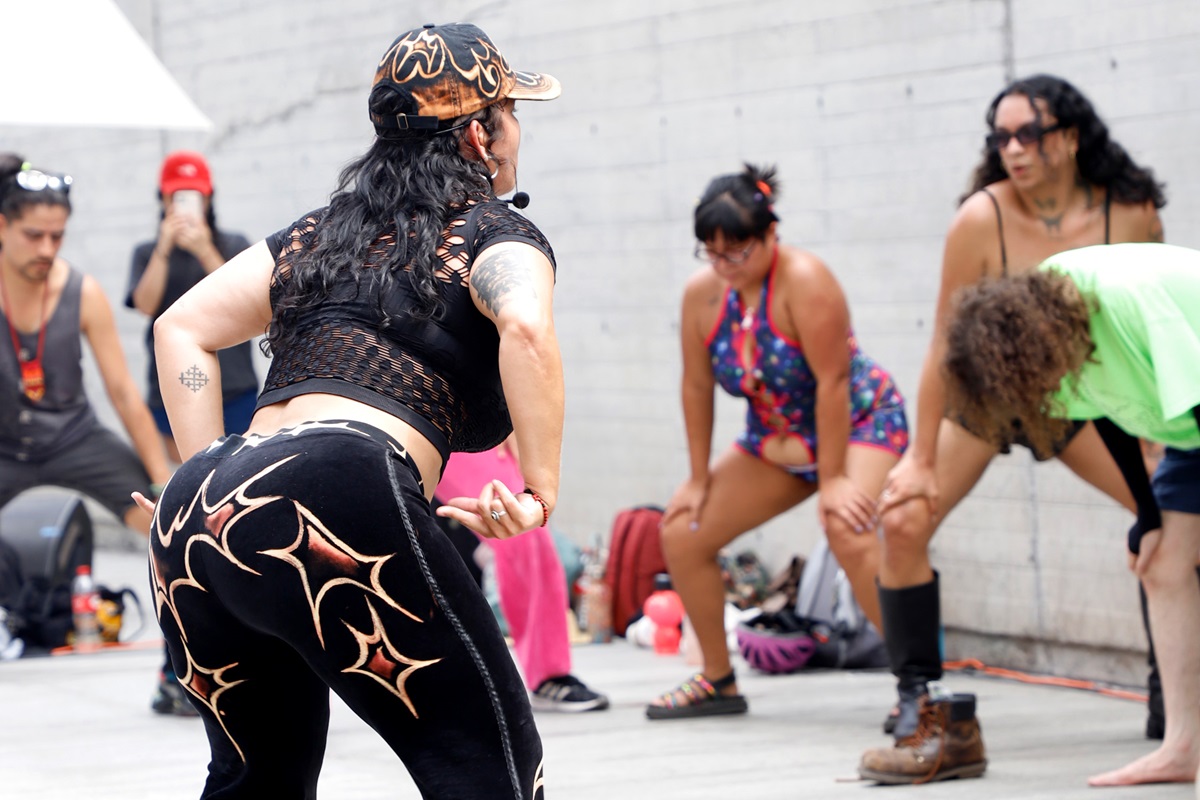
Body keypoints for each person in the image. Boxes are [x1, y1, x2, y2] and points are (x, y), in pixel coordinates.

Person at [135, 22, 563, 799]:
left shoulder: (315, 235)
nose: (516, 130)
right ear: (479, 134)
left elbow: (179, 329)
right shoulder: (493, 231)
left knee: (254, 782)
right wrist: (539, 491)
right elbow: (526, 327)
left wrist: (199, 479)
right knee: (491, 765)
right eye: (510, 110)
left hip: (197, 511)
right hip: (339, 483)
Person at [861, 74, 1166, 784]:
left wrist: (1155, 438)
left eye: (1029, 133)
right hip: (986, 393)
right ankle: (919, 700)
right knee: (904, 520)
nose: (1013, 149)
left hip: (1084, 396)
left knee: (1167, 519)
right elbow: (943, 338)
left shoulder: (1131, 212)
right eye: (1001, 136)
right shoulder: (982, 217)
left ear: (1070, 136)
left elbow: (1149, 329)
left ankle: (1171, 687)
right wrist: (918, 458)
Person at [645, 164, 909, 720]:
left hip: (861, 423)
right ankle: (718, 681)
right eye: (711, 253)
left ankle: (920, 688)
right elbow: (696, 386)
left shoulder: (806, 281)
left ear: (770, 235)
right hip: (776, 439)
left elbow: (833, 383)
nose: (724, 265)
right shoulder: (703, 296)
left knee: (848, 527)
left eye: (737, 251)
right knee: (682, 530)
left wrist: (835, 480)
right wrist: (697, 478)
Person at [940, 242, 1200, 788]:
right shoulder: (1040, 348)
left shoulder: (1125, 303)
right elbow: (1108, 416)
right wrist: (1148, 513)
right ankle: (1183, 748)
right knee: (1161, 564)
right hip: (1190, 431)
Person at [0, 156, 172, 656]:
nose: (47, 249)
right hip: (6, 444)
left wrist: (163, 482)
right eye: (34, 235)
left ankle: (196, 645)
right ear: (3, 226)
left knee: (170, 526)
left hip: (74, 437)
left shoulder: (82, 292)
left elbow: (122, 393)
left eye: (57, 236)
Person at [435, 435, 609, 712]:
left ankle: (548, 673)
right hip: (363, 406)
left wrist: (513, 426)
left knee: (517, 522)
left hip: (458, 415)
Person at [126, 151, 258, 464]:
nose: (185, 204)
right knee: (187, 471)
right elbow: (145, 305)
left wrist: (204, 249)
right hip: (170, 385)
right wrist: (163, 248)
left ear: (209, 198)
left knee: (239, 467)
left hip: (235, 383)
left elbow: (245, 297)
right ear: (163, 199)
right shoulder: (148, 252)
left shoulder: (232, 244)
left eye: (194, 195)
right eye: (177, 196)